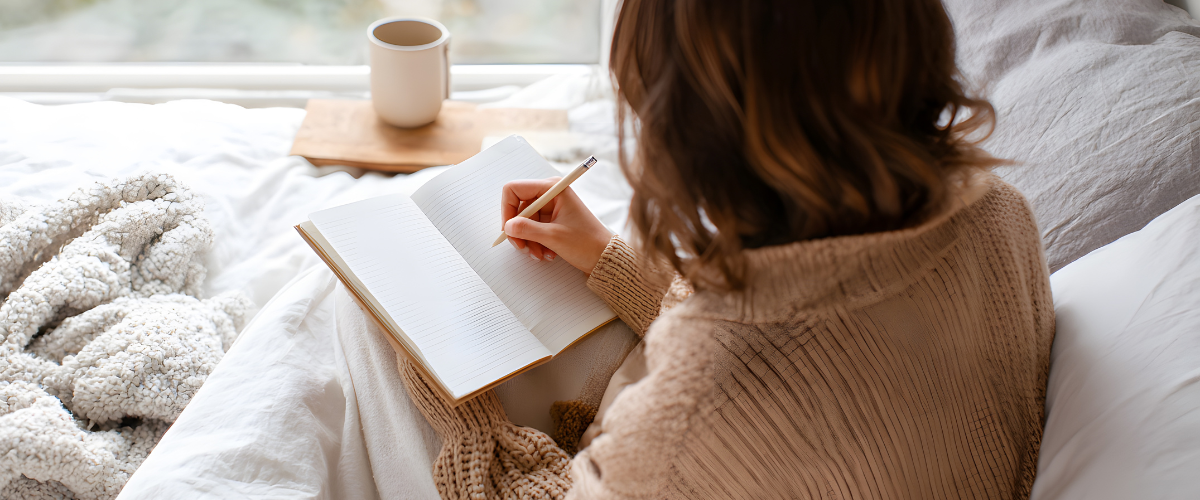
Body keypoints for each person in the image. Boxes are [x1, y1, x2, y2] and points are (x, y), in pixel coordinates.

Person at [397, 0, 1055, 498]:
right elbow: (815, 327)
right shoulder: (998, 214)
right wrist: (608, 258)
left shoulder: (693, 413)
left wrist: (471, 425)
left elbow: (754, 371)